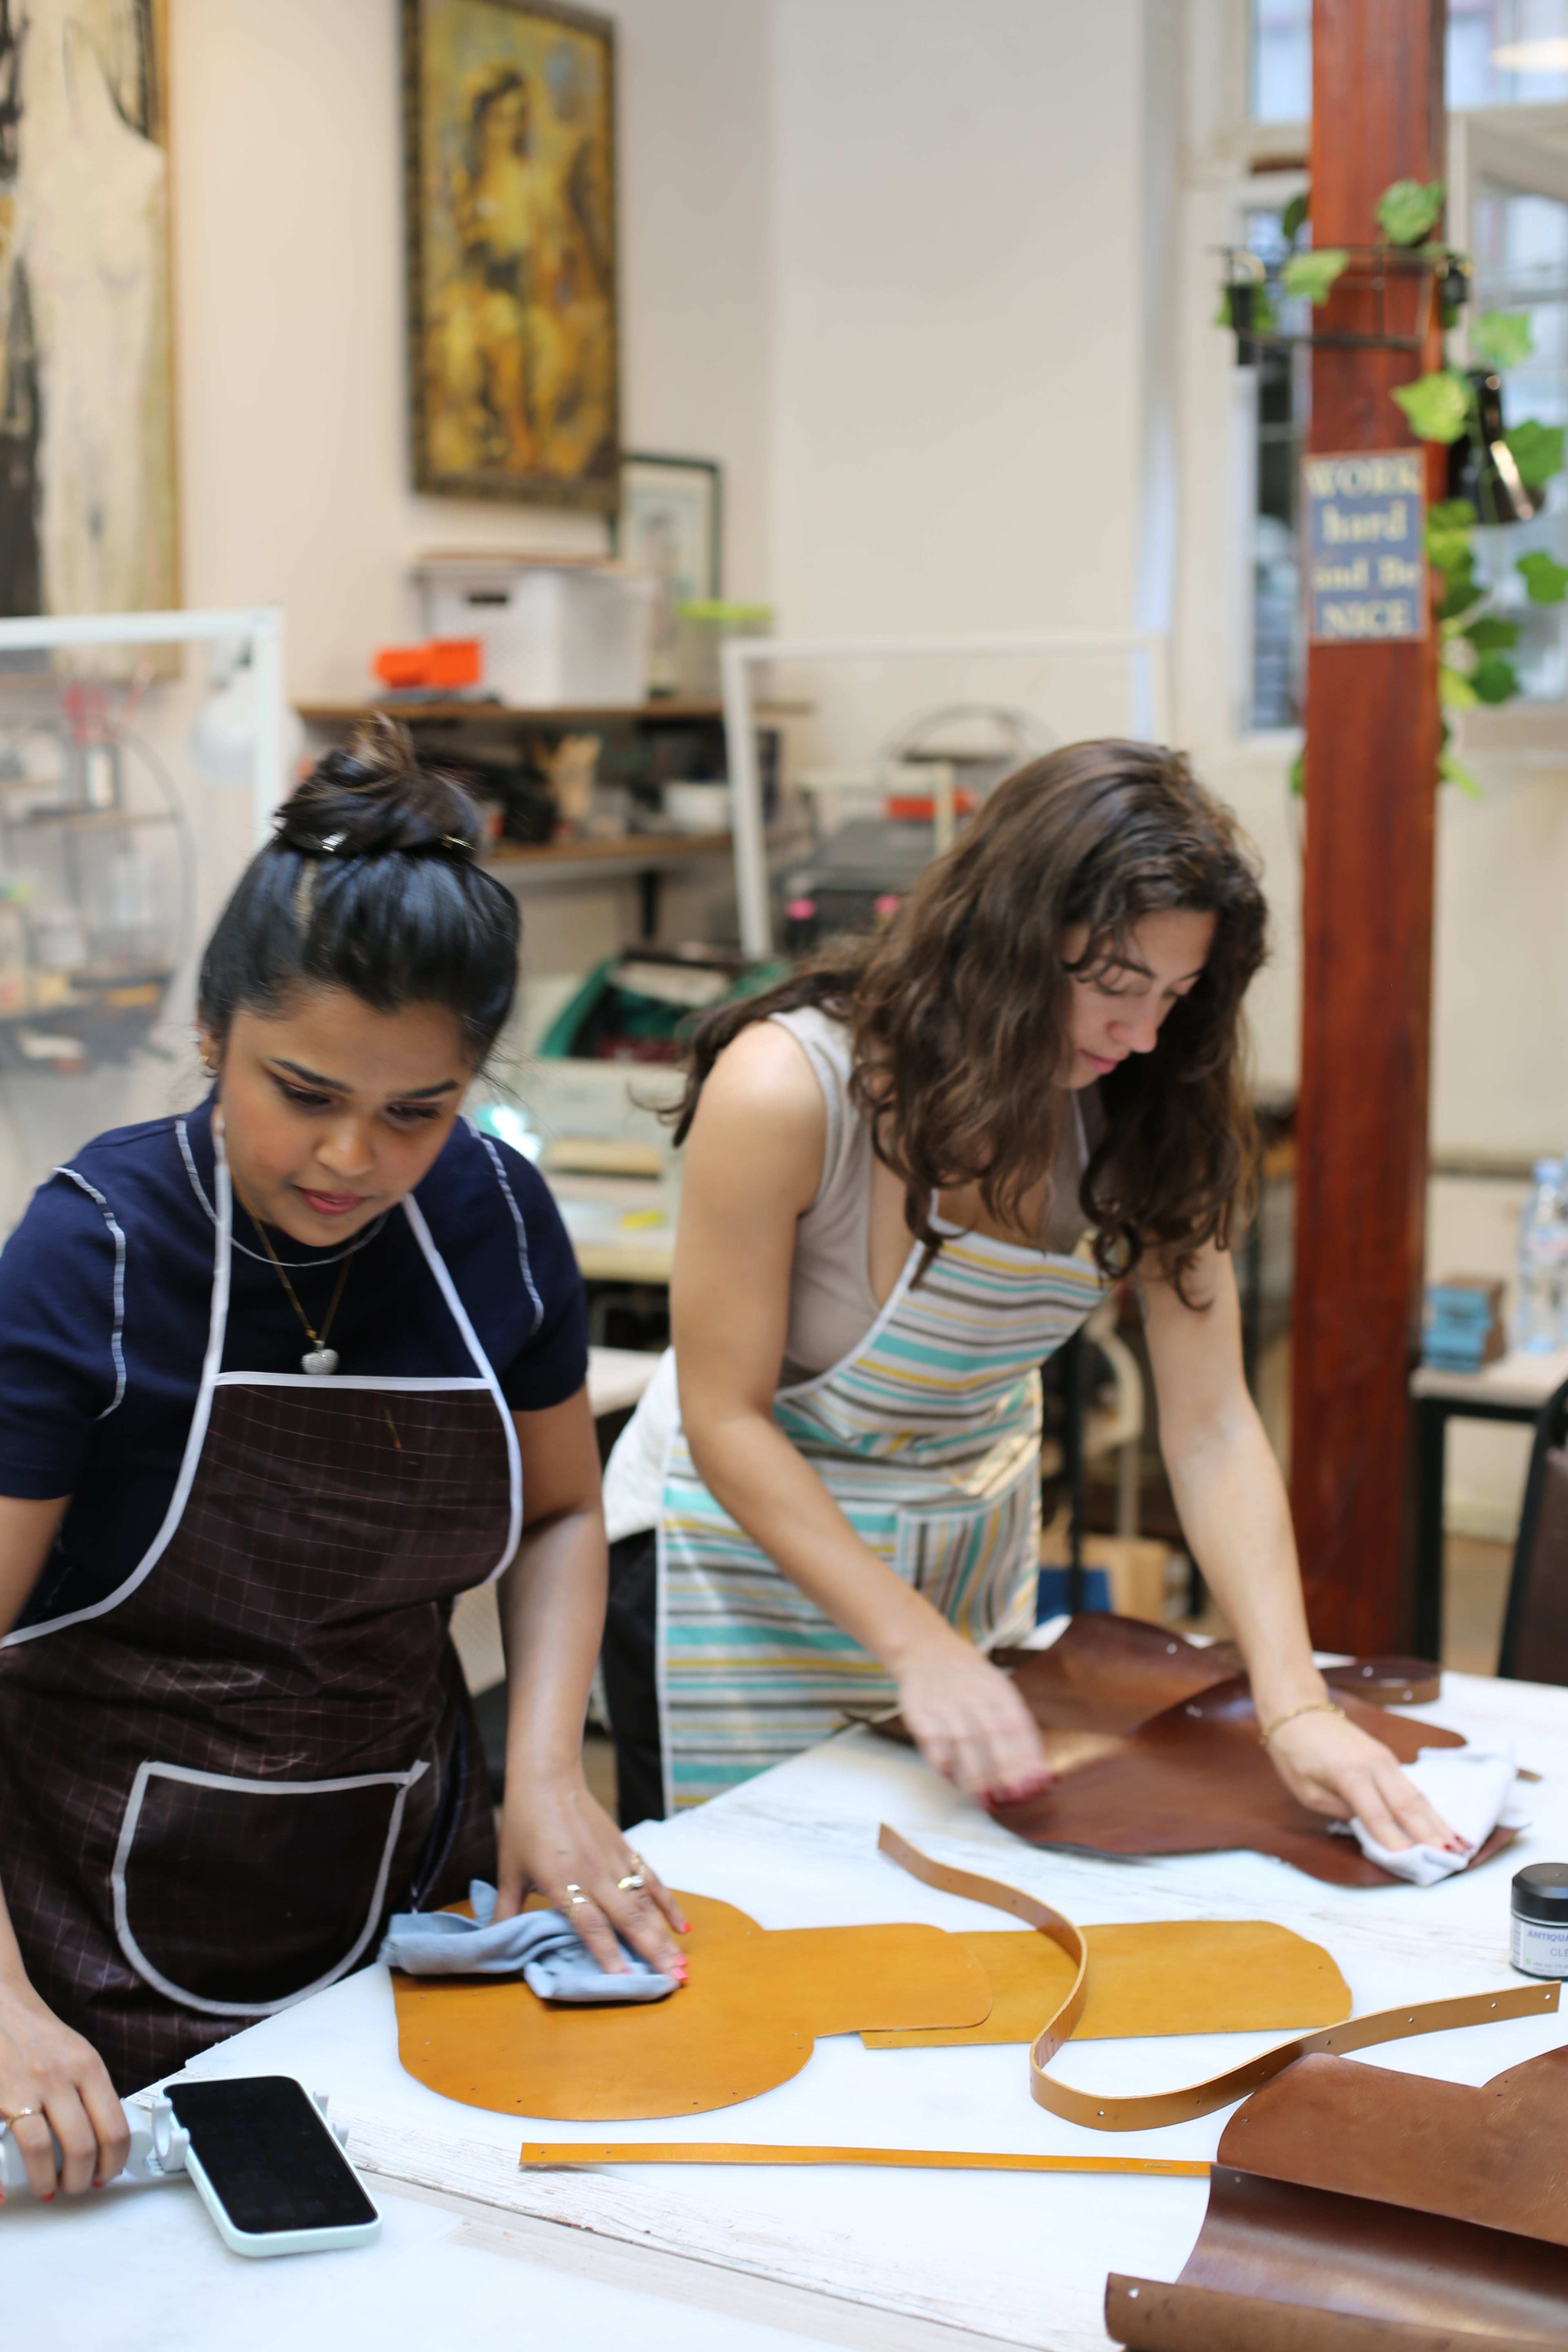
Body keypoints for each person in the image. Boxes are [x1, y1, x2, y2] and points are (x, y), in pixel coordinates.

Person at [0, 720, 684, 2201]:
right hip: (79, 1949)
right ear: (211, 1034)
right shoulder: (94, 1252)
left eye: (414, 1112)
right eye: (302, 1094)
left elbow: (565, 1510)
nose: (352, 1162)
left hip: (394, 1895)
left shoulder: (495, 1219)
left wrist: (550, 1776)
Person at [601, 741, 1462, 1859]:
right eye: (1113, 986)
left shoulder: (1144, 1103)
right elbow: (726, 1416)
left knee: (936, 1906)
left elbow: (1210, 1427)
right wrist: (915, 1648)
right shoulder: (791, 1087)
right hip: (734, 1568)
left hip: (957, 1553)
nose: (1141, 1034)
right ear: (1003, 938)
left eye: (1176, 994)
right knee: (743, 1915)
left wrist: (1296, 1705)